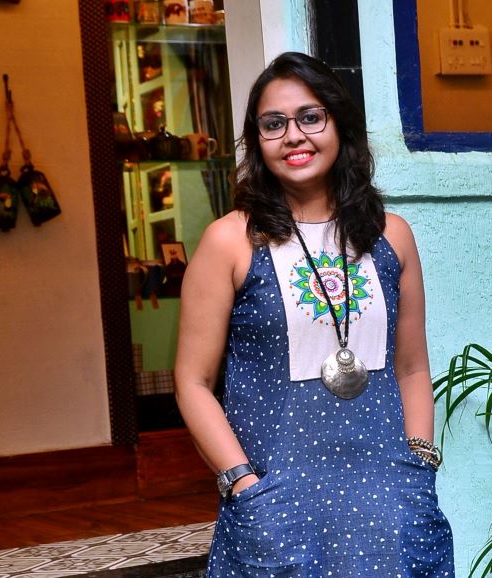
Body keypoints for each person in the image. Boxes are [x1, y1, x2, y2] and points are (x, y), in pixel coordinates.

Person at [174, 51, 455, 577]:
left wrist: (419, 467)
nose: (293, 136)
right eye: (273, 124)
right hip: (278, 508)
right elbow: (193, 382)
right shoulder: (231, 242)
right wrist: (242, 483)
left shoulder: (390, 236)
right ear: (257, 140)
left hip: (389, 508)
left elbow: (412, 366)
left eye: (310, 117)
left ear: (339, 125)